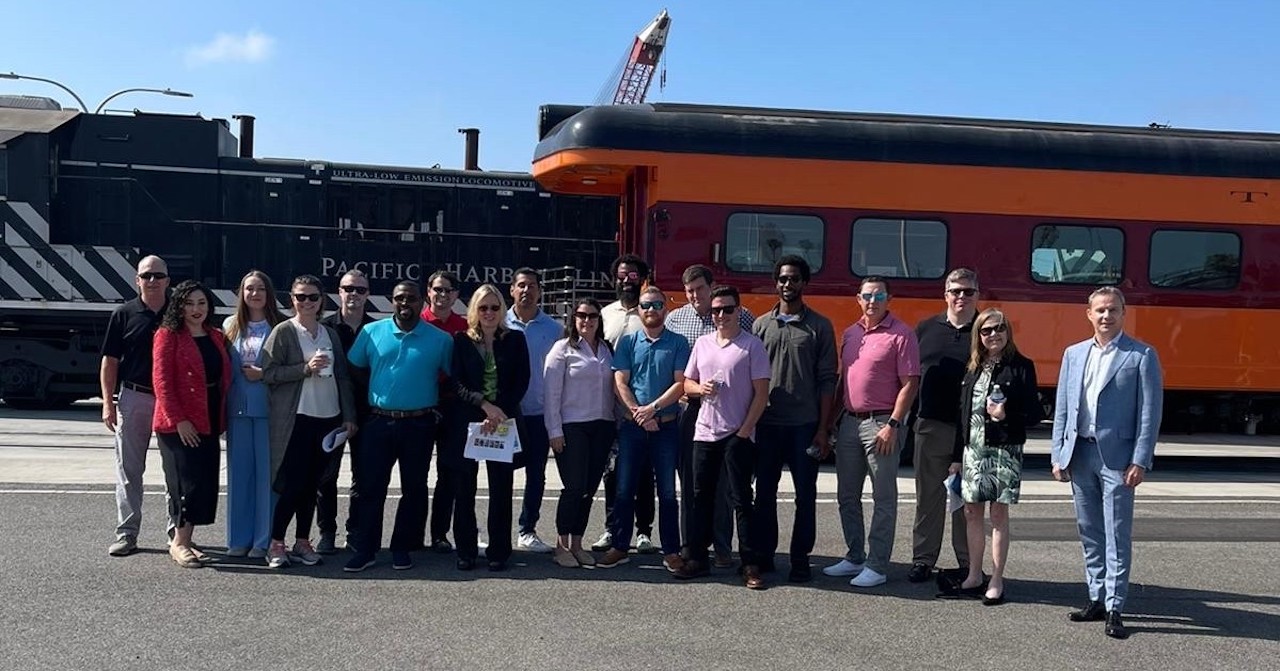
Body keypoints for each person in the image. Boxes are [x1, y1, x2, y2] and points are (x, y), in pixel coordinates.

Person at [1051, 287, 1163, 640]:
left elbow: (1149, 413)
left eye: (1113, 310)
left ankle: (1115, 605)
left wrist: (1140, 460)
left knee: (1116, 533)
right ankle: (1096, 597)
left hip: (1117, 459)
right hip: (1080, 453)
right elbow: (1064, 407)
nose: (1106, 316)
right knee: (1089, 531)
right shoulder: (1073, 354)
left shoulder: (1142, 355)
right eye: (1099, 310)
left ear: (1123, 313)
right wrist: (1059, 453)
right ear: (1088, 314)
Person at [344, 280, 452, 572]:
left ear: (422, 302)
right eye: (400, 298)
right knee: (370, 489)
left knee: (414, 489)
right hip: (378, 422)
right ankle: (366, 549)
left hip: (419, 424)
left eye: (412, 299)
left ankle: (401, 548)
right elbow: (353, 367)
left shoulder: (441, 339)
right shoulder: (371, 332)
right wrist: (374, 394)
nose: (406, 304)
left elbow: (453, 379)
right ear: (392, 300)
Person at [674, 285, 771, 588]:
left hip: (736, 433)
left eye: (727, 309)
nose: (721, 315)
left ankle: (750, 564)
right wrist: (698, 390)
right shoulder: (702, 344)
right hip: (704, 431)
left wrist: (744, 432)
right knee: (699, 497)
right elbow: (686, 383)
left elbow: (761, 393)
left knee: (740, 499)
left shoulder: (751, 346)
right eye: (716, 310)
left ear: (738, 311)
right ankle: (697, 558)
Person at [827, 277, 920, 588]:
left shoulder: (902, 334)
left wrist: (894, 424)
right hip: (850, 423)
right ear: (858, 299)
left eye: (879, 295)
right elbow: (844, 382)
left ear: (888, 299)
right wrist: (830, 423)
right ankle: (854, 556)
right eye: (867, 295)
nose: (873, 300)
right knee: (847, 495)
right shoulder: (852, 334)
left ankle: (877, 566)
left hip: (882, 425)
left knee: (883, 498)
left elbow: (910, 384)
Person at [261, 275, 358, 569]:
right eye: (300, 297)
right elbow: (269, 373)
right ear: (292, 299)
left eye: (312, 297)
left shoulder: (329, 334)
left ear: (321, 301)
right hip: (298, 418)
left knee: (313, 484)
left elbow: (342, 376)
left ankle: (303, 541)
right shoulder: (284, 331)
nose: (307, 303)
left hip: (328, 419)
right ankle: (276, 543)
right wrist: (304, 369)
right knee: (292, 484)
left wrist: (350, 416)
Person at [751, 256, 837, 583]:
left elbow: (828, 380)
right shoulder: (761, 326)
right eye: (783, 279)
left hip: (804, 426)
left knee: (805, 495)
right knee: (765, 495)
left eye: (795, 279)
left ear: (805, 282)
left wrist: (823, 429)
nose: (788, 285)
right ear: (776, 283)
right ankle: (764, 555)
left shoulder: (820, 326)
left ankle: (801, 558)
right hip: (768, 423)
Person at [948, 308, 1042, 605]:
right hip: (973, 451)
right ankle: (975, 574)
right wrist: (956, 456)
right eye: (986, 330)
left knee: (998, 515)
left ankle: (997, 579)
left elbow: (1037, 413)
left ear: (1008, 331)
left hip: (1004, 450)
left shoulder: (1021, 366)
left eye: (999, 328)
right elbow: (962, 417)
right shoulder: (973, 368)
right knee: (971, 512)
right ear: (978, 335)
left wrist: (1006, 413)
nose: (993, 335)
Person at [665, 264, 756, 568]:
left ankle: (723, 547)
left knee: (726, 487)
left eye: (699, 289)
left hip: (732, 410)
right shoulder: (675, 320)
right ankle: (691, 545)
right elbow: (681, 375)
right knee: (694, 483)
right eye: (689, 291)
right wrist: (694, 390)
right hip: (692, 409)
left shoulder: (741, 317)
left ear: (711, 286)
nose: (694, 296)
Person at [603, 287, 689, 570]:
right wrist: (639, 415)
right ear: (639, 310)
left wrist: (652, 409)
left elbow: (680, 384)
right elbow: (620, 382)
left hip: (665, 428)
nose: (651, 309)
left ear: (665, 309)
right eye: (646, 305)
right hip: (632, 428)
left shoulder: (678, 342)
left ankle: (671, 551)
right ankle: (619, 546)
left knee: (666, 492)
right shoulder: (628, 342)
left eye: (657, 304)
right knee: (624, 489)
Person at [447, 283, 531, 572]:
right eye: (483, 307)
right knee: (464, 488)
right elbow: (457, 383)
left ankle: (499, 552)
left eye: (495, 307)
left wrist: (499, 412)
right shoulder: (461, 340)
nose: (489, 312)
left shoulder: (516, 340)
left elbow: (522, 381)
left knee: (501, 489)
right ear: (475, 310)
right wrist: (484, 406)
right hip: (469, 422)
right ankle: (466, 551)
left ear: (502, 309)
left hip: (503, 423)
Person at [151, 280, 231, 568]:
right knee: (184, 482)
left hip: (208, 414)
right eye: (189, 303)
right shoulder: (167, 335)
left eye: (201, 303)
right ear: (179, 306)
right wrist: (180, 420)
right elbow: (162, 383)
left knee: (203, 481)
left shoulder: (215, 335)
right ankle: (179, 543)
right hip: (178, 422)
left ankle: (186, 539)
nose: (196, 309)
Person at [909, 268, 980, 584]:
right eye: (955, 291)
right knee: (929, 498)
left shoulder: (986, 329)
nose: (961, 296)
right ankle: (923, 559)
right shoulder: (925, 328)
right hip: (930, 425)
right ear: (945, 294)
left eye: (967, 291)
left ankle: (968, 562)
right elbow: (911, 378)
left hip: (972, 429)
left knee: (967, 501)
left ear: (977, 295)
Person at [102, 255, 170, 557]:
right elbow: (110, 360)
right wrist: (108, 402)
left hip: (170, 400)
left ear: (168, 280)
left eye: (158, 275)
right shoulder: (123, 313)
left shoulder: (180, 314)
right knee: (129, 469)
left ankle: (176, 534)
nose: (152, 280)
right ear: (137, 280)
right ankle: (127, 533)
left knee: (175, 470)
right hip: (135, 396)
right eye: (146, 276)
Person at [542, 298, 616, 568]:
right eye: (581, 315)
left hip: (603, 425)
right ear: (573, 319)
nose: (587, 320)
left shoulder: (607, 349)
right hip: (572, 425)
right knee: (573, 487)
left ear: (599, 319)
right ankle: (561, 546)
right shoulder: (562, 349)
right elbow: (551, 394)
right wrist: (554, 430)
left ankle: (577, 543)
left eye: (593, 316)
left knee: (588, 489)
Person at [595, 253, 657, 554]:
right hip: (611, 405)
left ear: (642, 279)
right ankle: (612, 528)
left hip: (645, 404)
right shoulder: (605, 314)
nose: (626, 281)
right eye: (621, 275)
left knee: (645, 470)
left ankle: (644, 531)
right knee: (613, 471)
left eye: (632, 276)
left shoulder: (653, 312)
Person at [222, 269, 286, 559]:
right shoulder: (230, 326)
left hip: (269, 409)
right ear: (241, 294)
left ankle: (263, 540)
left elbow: (289, 368)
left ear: (269, 293)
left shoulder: (281, 327)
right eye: (249, 289)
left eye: (260, 288)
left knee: (266, 478)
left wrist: (265, 374)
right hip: (237, 408)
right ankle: (238, 538)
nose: (254, 294)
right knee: (240, 475)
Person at [318, 269, 376, 554]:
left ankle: (355, 532)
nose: (354, 294)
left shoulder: (377, 330)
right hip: (329, 411)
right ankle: (326, 532)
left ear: (368, 294)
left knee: (362, 477)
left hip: (367, 414)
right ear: (338, 292)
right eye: (348, 289)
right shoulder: (324, 329)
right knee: (325, 477)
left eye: (360, 290)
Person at [505, 268, 563, 554]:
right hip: (506, 413)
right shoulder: (498, 322)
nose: (526, 291)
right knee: (500, 473)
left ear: (540, 291)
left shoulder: (554, 329)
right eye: (521, 285)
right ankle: (498, 529)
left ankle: (527, 530)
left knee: (536, 474)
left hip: (540, 413)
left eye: (532, 286)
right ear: (512, 290)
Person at [421, 269, 469, 553]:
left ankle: (439, 533)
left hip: (453, 406)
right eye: (437, 289)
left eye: (447, 290)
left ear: (455, 295)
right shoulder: (415, 323)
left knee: (448, 474)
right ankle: (413, 535)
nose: (441, 295)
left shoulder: (463, 327)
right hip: (420, 405)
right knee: (415, 474)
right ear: (428, 291)